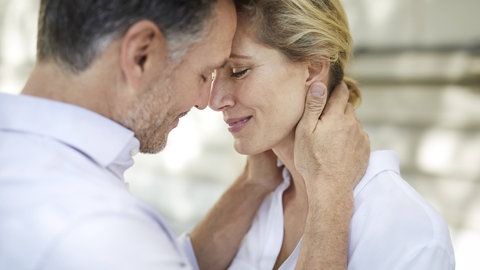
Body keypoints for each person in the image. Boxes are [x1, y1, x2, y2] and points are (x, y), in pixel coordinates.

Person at [0, 0, 370, 269]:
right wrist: (330, 197)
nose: (206, 101)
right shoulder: (98, 232)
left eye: (237, 72)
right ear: (141, 54)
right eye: (204, 73)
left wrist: (253, 185)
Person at [208, 0, 456, 269]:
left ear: (313, 68)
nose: (215, 99)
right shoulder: (258, 200)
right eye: (211, 74)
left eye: (238, 71)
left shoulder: (407, 233)